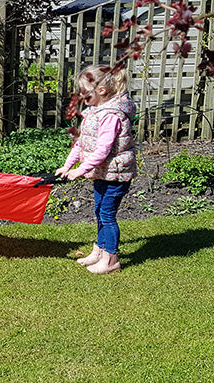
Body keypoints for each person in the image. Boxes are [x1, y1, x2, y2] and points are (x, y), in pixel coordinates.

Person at [55, 64, 137, 275]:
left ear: (101, 91)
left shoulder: (111, 115)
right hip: (103, 172)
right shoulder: (94, 112)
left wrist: (80, 170)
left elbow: (103, 150)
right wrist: (67, 165)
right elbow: (81, 143)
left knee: (107, 215)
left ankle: (111, 260)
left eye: (84, 92)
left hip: (116, 173)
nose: (81, 97)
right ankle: (99, 251)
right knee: (99, 212)